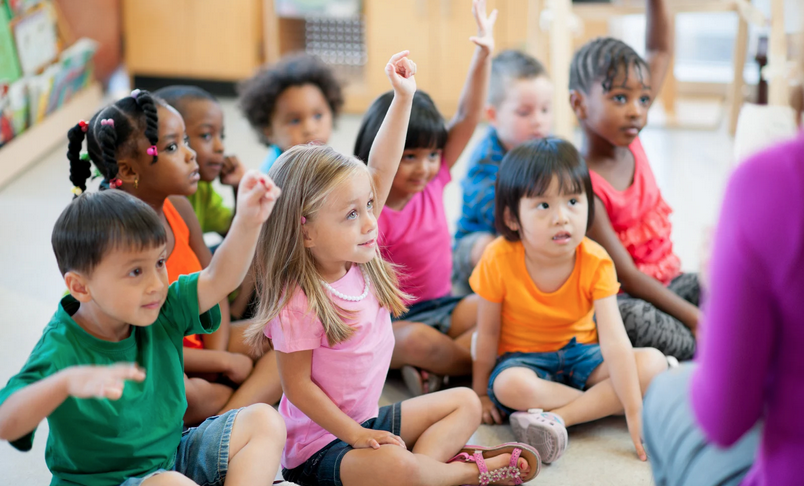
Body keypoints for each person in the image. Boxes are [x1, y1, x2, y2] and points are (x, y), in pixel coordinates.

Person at [246, 51, 540, 486]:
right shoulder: (297, 300)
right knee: (398, 466)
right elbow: (297, 389)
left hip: (368, 423)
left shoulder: (357, 259)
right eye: (352, 214)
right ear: (305, 231)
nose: (371, 222)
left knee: (464, 402)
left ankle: (426, 473)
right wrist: (356, 436)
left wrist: (403, 99)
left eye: (370, 205)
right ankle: (460, 473)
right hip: (318, 449)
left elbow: (381, 166)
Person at [0, 170, 286, 485]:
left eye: (160, 263)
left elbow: (219, 277)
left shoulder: (162, 308)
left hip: (170, 458)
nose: (156, 284)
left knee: (264, 420)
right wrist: (63, 383)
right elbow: (5, 421)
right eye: (136, 271)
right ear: (80, 287)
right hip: (105, 482)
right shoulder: (60, 347)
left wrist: (248, 221)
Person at [62, 90, 282, 425]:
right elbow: (145, 344)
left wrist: (218, 351)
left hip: (205, 341)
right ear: (128, 170)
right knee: (183, 393)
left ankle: (222, 418)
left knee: (288, 338)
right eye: (172, 147)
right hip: (158, 357)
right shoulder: (116, 238)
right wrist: (221, 364)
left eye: (186, 142)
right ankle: (226, 416)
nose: (190, 155)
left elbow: (214, 280)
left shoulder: (178, 206)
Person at [471, 138, 667, 464]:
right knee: (508, 386)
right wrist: (480, 393)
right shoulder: (497, 258)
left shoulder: (596, 259)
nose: (562, 217)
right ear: (512, 217)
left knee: (653, 363)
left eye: (573, 201)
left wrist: (635, 412)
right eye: (543, 206)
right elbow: (487, 333)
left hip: (582, 356)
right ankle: (600, 405)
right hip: (525, 361)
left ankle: (560, 417)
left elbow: (614, 341)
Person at [352, 0, 495, 396]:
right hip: (393, 320)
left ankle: (434, 367)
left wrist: (483, 56)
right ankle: (461, 361)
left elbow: (467, 116)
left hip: (443, 304)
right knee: (417, 341)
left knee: (496, 305)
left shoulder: (434, 180)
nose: (425, 167)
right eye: (409, 156)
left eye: (432, 155)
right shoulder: (369, 200)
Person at [643, 135, 804, 486]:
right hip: (645, 296)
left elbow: (723, 421)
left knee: (664, 387)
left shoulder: (772, 180)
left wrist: (716, 292)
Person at [569, 0, 698, 361]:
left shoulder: (628, 133)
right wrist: (696, 319)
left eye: (643, 99)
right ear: (579, 104)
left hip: (668, 285)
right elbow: (625, 275)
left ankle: (715, 340)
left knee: (721, 283)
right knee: (633, 319)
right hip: (627, 299)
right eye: (620, 98)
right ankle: (713, 346)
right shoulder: (583, 185)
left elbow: (659, 51)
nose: (637, 111)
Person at [452, 49, 553, 295]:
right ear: (493, 116)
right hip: (483, 239)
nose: (538, 120)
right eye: (524, 112)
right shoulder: (484, 159)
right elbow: (498, 215)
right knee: (488, 247)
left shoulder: (548, 149)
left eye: (545, 110)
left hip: (529, 233)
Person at [154, 85, 245, 237]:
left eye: (221, 136)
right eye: (206, 135)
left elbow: (233, 235)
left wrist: (239, 187)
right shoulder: (151, 198)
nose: (220, 147)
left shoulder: (201, 189)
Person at [238, 53, 343, 173]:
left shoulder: (330, 162)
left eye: (318, 116)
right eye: (295, 121)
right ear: (269, 131)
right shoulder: (272, 177)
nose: (310, 129)